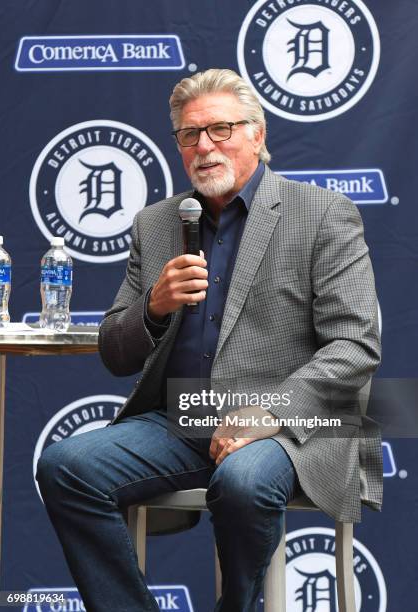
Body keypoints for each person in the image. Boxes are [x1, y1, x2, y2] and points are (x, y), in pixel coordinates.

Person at [36, 68, 382, 612]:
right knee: (65, 466)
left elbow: (354, 347)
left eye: (221, 130)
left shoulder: (322, 214)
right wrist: (154, 306)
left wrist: (263, 415)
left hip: (286, 427)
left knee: (243, 482)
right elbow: (114, 353)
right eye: (189, 135)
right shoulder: (157, 223)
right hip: (181, 420)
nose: (204, 146)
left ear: (258, 134)